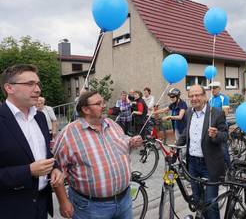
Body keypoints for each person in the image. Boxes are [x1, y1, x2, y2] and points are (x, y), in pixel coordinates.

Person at [53, 91, 143, 219]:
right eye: (98, 103)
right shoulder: (68, 134)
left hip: (124, 200)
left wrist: (131, 142)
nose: (104, 106)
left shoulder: (113, 125)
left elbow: (123, 142)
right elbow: (57, 171)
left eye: (103, 102)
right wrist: (63, 202)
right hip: (90, 207)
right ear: (85, 109)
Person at [0, 64, 64, 219]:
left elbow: (45, 154)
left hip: (42, 204)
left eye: (37, 84)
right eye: (30, 84)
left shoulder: (40, 117)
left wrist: (55, 168)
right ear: (9, 88)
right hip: (10, 209)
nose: (37, 89)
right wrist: (28, 171)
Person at [177, 85, 228, 219]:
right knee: (198, 201)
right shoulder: (189, 112)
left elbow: (225, 135)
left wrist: (216, 135)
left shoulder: (216, 113)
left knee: (210, 204)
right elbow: (185, 133)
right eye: (191, 96)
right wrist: (175, 146)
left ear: (205, 96)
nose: (194, 98)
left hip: (209, 164)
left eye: (197, 95)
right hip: (193, 164)